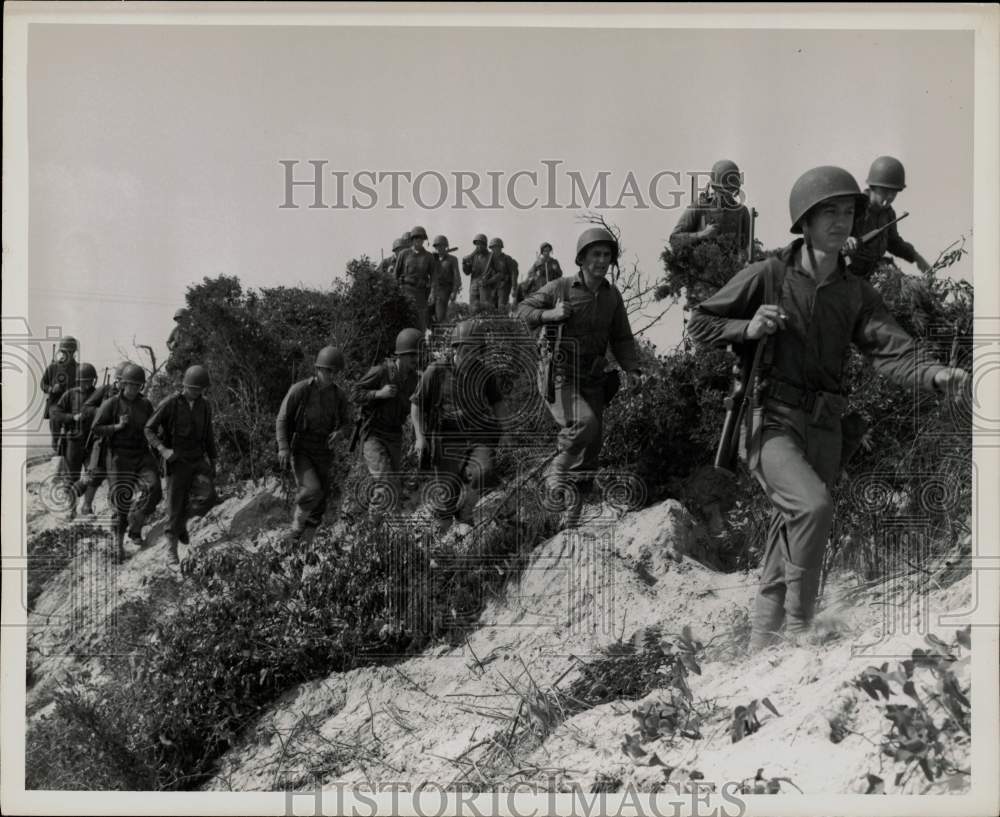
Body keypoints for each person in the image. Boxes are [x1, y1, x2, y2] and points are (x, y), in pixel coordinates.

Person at [686, 165, 970, 651]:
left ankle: (758, 648)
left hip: (825, 428)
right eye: (829, 213)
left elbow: (892, 349)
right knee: (813, 507)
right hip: (770, 420)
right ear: (806, 222)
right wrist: (747, 327)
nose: (841, 222)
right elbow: (701, 323)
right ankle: (800, 629)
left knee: (789, 528)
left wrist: (936, 374)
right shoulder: (769, 276)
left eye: (849, 212)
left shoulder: (856, 293)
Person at [517, 227, 641, 528]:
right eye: (595, 255)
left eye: (606, 255)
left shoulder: (612, 297)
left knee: (592, 446)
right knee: (583, 423)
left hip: (593, 376)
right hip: (560, 373)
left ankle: (571, 513)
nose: (602, 260)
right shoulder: (560, 287)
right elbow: (522, 310)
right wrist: (550, 315)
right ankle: (555, 474)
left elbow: (622, 337)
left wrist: (632, 369)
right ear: (581, 259)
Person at [410, 319, 504, 533]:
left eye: (476, 350)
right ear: (457, 347)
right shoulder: (436, 371)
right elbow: (416, 406)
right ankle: (437, 547)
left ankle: (466, 515)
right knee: (445, 503)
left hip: (477, 437)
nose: (472, 354)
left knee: (484, 472)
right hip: (446, 441)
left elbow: (498, 403)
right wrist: (420, 438)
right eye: (468, 348)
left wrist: (504, 430)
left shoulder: (484, 373)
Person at [276, 346, 354, 543]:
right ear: (318, 368)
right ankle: (295, 528)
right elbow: (282, 419)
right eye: (328, 370)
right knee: (311, 489)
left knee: (321, 499)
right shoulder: (301, 389)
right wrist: (283, 447)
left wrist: (340, 433)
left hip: (324, 450)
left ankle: (306, 542)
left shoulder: (338, 395)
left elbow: (348, 423)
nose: (331, 375)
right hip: (301, 448)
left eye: (335, 371)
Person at [145, 364, 218, 565]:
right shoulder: (170, 403)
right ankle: (171, 549)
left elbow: (209, 435)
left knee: (209, 497)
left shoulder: (205, 405)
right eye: (193, 389)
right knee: (174, 506)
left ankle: (182, 522)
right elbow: (149, 429)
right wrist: (162, 450)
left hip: (197, 459)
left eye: (200, 390)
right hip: (177, 461)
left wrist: (213, 460)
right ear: (185, 385)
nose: (196, 393)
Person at [90, 364, 163, 562]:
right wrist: (117, 426)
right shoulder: (111, 404)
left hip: (141, 454)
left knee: (155, 489)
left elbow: (154, 426)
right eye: (130, 384)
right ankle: (118, 546)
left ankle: (136, 524)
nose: (133, 389)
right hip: (118, 457)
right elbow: (96, 428)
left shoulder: (146, 405)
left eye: (137, 385)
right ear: (123, 384)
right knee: (121, 502)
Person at [351, 328, 423, 512]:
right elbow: (355, 393)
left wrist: (418, 437)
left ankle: (377, 527)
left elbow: (418, 408)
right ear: (401, 355)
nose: (415, 359)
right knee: (385, 482)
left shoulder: (415, 380)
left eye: (418, 354)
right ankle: (371, 528)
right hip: (373, 433)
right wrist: (378, 394)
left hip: (394, 436)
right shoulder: (381, 372)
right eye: (411, 355)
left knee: (395, 490)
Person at [844, 155, 932, 278]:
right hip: (848, 272)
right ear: (873, 187)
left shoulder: (888, 214)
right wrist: (845, 239)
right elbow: (833, 232)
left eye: (894, 192)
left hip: (874, 273)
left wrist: (916, 257)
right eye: (885, 191)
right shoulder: (854, 206)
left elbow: (894, 243)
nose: (890, 196)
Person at [669, 159, 752, 260]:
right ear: (714, 188)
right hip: (701, 270)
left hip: (733, 271)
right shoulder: (700, 207)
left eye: (731, 190)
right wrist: (702, 234)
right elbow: (674, 240)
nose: (727, 195)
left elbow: (748, 247)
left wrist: (744, 255)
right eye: (723, 191)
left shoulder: (742, 212)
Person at [49, 362, 98, 520]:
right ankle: (71, 509)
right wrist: (72, 417)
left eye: (89, 381)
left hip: (92, 442)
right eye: (83, 381)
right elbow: (56, 412)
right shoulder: (70, 394)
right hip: (73, 442)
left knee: (92, 475)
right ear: (78, 380)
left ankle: (87, 507)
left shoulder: (98, 395)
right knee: (71, 477)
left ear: (93, 381)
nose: (86, 384)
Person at [394, 226, 440, 332]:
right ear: (412, 240)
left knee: (421, 323)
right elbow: (395, 275)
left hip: (421, 294)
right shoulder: (403, 254)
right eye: (416, 238)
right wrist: (395, 292)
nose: (418, 241)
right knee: (404, 321)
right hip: (405, 292)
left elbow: (434, 278)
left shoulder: (429, 257)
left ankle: (420, 345)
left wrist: (432, 294)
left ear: (424, 240)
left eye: (421, 238)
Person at [41, 336, 79, 453]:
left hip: (72, 406)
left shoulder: (79, 368)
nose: (67, 354)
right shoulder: (52, 368)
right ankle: (56, 449)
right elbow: (43, 384)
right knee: (56, 429)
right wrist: (51, 389)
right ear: (61, 352)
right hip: (55, 405)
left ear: (74, 352)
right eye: (65, 351)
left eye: (70, 352)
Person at [430, 235, 461, 325]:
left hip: (445, 289)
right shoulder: (432, 259)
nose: (439, 248)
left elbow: (457, 277)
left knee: (440, 315)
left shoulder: (452, 260)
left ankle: (442, 333)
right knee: (428, 314)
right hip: (432, 289)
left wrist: (454, 291)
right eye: (437, 246)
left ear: (446, 246)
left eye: (442, 246)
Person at [462, 234, 492, 314]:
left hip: (486, 286)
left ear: (485, 244)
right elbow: (467, 272)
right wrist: (465, 264)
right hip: (474, 286)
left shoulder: (491, 256)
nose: (478, 246)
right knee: (473, 310)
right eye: (477, 244)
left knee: (485, 310)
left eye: (480, 243)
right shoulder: (473, 257)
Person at [487, 237, 519, 312]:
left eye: (497, 247)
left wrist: (514, 288)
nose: (495, 250)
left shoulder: (507, 259)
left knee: (501, 305)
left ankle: (503, 321)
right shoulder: (489, 260)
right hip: (492, 286)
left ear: (500, 248)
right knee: (490, 306)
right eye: (493, 248)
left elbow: (513, 274)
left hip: (504, 285)